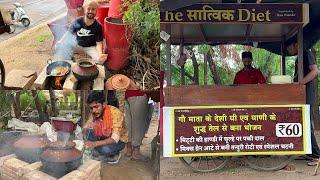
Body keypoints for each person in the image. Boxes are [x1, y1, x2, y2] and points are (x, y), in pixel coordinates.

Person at [286, 37, 320, 166]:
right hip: (301, 94)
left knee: (307, 124)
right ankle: (309, 152)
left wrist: (300, 83)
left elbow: (315, 71)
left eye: (289, 48)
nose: (288, 51)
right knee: (302, 123)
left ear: (296, 45)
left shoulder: (306, 52)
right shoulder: (298, 57)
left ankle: (317, 155)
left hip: (307, 94)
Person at [106, 74, 149, 162]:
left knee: (128, 123)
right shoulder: (130, 82)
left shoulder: (114, 82)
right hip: (138, 96)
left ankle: (129, 150)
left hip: (127, 96)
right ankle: (136, 153)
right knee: (138, 124)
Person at [83, 91, 128, 164]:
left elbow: (115, 138)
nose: (94, 110)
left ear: (104, 104)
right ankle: (98, 150)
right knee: (88, 131)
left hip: (119, 140)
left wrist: (95, 144)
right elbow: (85, 129)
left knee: (105, 150)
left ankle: (114, 155)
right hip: (103, 136)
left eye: (96, 107)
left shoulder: (115, 113)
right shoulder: (94, 113)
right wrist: (86, 128)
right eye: (91, 108)